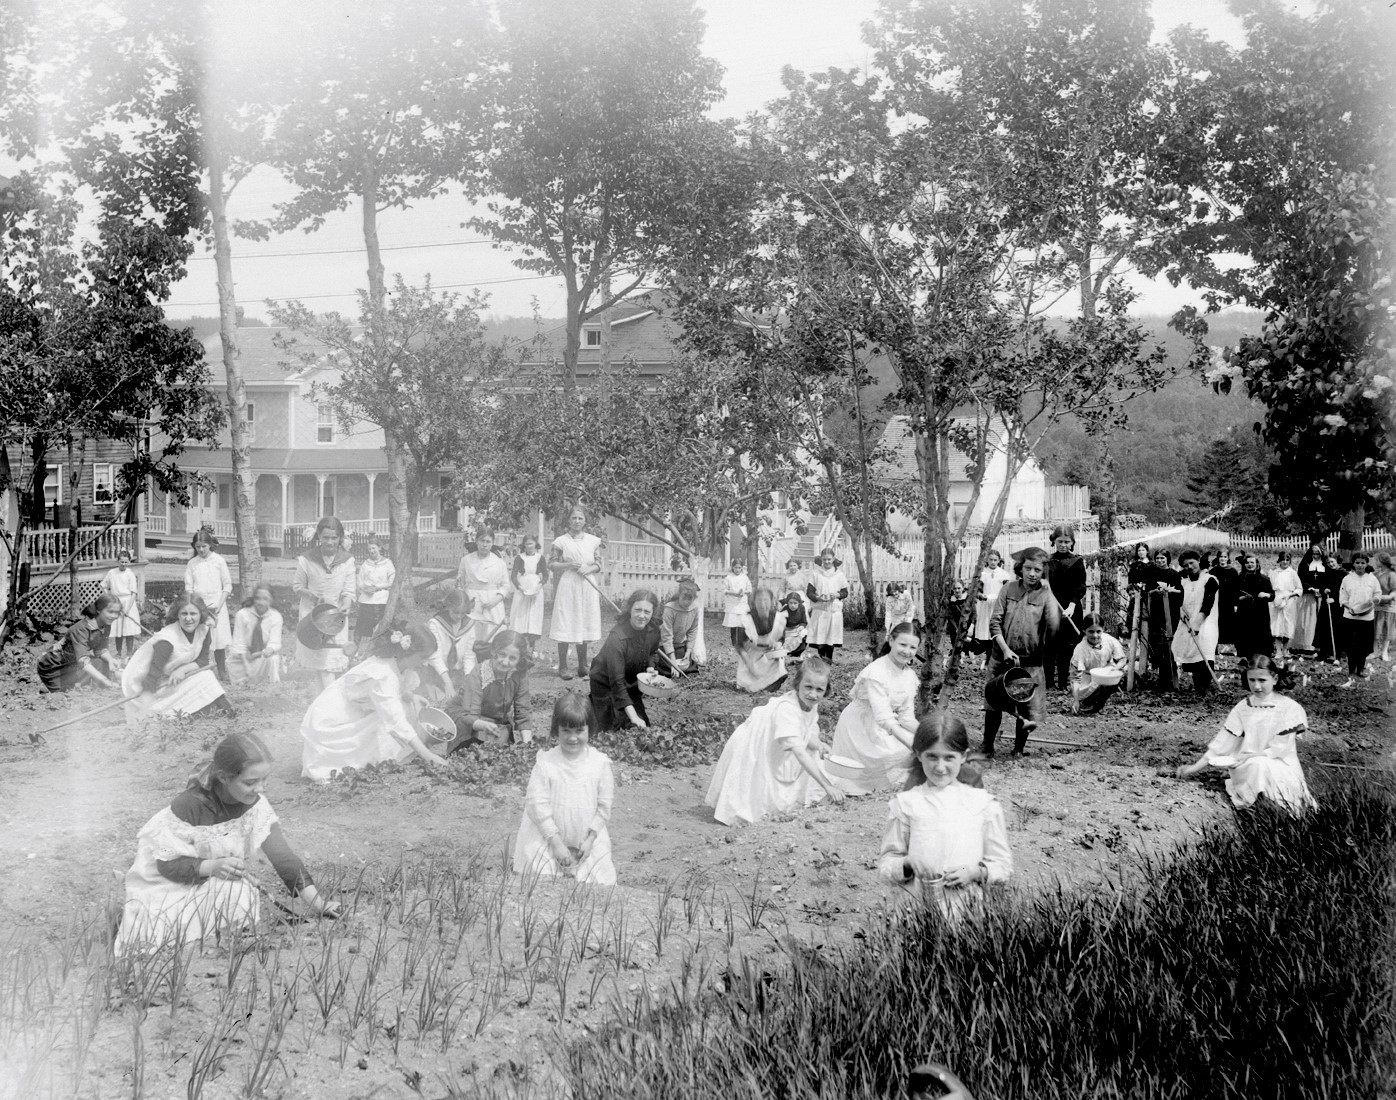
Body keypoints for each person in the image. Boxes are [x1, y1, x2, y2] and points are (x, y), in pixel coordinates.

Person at [114, 732, 338, 956]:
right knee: (155, 937)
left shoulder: (255, 805)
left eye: (264, 780)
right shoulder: (188, 806)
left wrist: (319, 904)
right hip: (166, 885)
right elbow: (167, 865)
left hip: (210, 881)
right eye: (250, 782)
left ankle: (224, 944)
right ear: (223, 777)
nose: (260, 789)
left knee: (239, 890)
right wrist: (212, 867)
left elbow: (283, 857)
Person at [877, 712, 1013, 917]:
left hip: (968, 912)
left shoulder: (983, 805)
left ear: (964, 756)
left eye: (949, 757)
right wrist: (906, 864)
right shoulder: (906, 805)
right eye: (932, 756)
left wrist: (976, 872)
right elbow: (886, 867)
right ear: (918, 754)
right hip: (916, 913)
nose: (940, 767)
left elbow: (1002, 866)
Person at [300, 621, 450, 781]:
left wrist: (412, 696)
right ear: (408, 652)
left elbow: (396, 693)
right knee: (395, 720)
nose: (426, 663)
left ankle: (389, 753)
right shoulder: (381, 673)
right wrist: (428, 756)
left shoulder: (397, 664)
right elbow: (395, 720)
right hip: (332, 720)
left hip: (355, 710)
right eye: (423, 657)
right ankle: (353, 758)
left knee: (405, 709)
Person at [706, 657, 844, 825]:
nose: (813, 694)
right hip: (755, 742)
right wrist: (827, 785)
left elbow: (806, 731)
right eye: (808, 687)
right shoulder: (787, 709)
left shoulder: (811, 703)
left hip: (775, 741)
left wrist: (819, 744)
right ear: (797, 684)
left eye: (819, 690)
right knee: (755, 779)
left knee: (792, 767)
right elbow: (799, 751)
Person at [1176, 656, 1316, 814]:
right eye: (1252, 680)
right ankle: (1258, 806)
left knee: (1261, 766)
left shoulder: (1290, 708)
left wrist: (1250, 756)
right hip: (1247, 768)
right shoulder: (1243, 707)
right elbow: (1222, 744)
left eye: (1262, 680)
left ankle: (1277, 809)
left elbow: (1280, 749)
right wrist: (1193, 768)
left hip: (1282, 766)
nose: (1256, 686)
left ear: (1275, 679)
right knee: (1257, 766)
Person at [512, 693, 617, 885]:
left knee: (596, 881)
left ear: (589, 729)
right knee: (542, 880)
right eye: (566, 731)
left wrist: (591, 838)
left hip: (585, 839)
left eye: (579, 731)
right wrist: (556, 843)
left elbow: (604, 806)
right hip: (548, 837)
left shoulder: (599, 764)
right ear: (556, 730)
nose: (572, 738)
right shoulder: (546, 763)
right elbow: (537, 805)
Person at [981, 546, 1061, 757]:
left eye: (1037, 570)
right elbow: (995, 622)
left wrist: (1050, 593)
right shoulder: (1008, 589)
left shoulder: (1045, 596)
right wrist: (1005, 649)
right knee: (993, 703)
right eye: (1028, 568)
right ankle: (987, 746)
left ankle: (1018, 749)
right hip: (1002, 657)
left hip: (1030, 662)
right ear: (1020, 568)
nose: (1032, 574)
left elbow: (1053, 627)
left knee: (1025, 705)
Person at [830, 622, 922, 793]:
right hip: (860, 726)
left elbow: (906, 717)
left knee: (914, 749)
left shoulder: (909, 675)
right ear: (891, 640)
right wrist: (915, 744)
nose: (907, 651)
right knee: (902, 751)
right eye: (902, 644)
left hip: (884, 725)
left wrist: (929, 736)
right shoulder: (876, 672)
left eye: (912, 647)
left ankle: (882, 785)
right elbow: (884, 718)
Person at [122, 596, 234, 727]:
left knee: (206, 676)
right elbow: (152, 676)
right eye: (184, 614)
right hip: (148, 686)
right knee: (206, 678)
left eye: (193, 613)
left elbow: (203, 661)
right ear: (177, 615)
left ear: (201, 614)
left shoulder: (204, 629)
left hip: (172, 677)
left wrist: (182, 670)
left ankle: (227, 711)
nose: (188, 619)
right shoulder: (167, 640)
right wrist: (144, 709)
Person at [444, 630, 537, 749]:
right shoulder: (479, 674)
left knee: (498, 755)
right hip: (465, 716)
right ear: (494, 651)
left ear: (519, 659)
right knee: (469, 752)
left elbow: (523, 710)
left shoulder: (519, 674)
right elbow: (469, 714)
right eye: (502, 654)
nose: (505, 662)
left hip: (496, 720)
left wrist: (527, 743)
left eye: (512, 658)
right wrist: (483, 725)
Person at [293, 517, 357, 690]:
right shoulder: (307, 560)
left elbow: (349, 591)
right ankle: (326, 702)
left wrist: (347, 603)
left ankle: (324, 701)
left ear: (340, 539)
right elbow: (297, 586)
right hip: (313, 615)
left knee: (331, 663)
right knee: (321, 665)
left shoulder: (347, 561)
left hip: (335, 615)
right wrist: (314, 598)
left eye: (334, 538)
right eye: (325, 537)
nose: (330, 542)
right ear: (318, 537)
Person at [588, 588, 662, 730]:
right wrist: (633, 717)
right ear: (630, 609)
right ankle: (595, 704)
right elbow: (616, 682)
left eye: (647, 612)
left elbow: (653, 652)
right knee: (612, 730)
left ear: (653, 613)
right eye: (637, 610)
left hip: (630, 683)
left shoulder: (654, 629)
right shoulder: (617, 637)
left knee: (641, 726)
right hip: (606, 684)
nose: (641, 616)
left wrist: (651, 667)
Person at [549, 507, 605, 681]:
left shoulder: (593, 541)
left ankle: (582, 665)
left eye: (580, 518)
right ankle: (564, 666)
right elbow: (551, 563)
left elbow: (599, 564)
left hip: (587, 584)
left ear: (585, 521)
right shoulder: (561, 541)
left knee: (584, 620)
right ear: (568, 521)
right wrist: (568, 565)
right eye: (574, 518)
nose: (577, 521)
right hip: (569, 584)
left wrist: (588, 568)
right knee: (566, 620)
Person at [37, 595, 121, 692]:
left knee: (102, 663)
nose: (114, 616)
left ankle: (72, 684)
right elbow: (83, 661)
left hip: (72, 662)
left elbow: (100, 649)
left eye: (117, 613)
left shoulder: (105, 625)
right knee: (65, 693)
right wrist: (106, 682)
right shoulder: (80, 629)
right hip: (53, 665)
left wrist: (110, 659)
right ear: (98, 610)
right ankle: (56, 686)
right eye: (110, 612)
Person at [457, 528, 510, 673]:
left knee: (492, 634)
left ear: (492, 543)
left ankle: (493, 668)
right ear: (476, 541)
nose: (484, 545)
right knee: (472, 635)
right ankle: (471, 669)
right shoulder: (467, 560)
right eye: (482, 541)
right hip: (472, 600)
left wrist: (496, 599)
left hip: (492, 602)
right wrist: (463, 599)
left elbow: (506, 585)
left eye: (488, 541)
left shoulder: (499, 562)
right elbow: (460, 581)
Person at [184, 532, 233, 682]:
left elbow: (227, 585)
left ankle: (221, 668)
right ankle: (199, 670)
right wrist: (194, 604)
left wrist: (219, 604)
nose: (201, 550)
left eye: (204, 546)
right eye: (198, 547)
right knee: (201, 639)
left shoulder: (219, 561)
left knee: (218, 639)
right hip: (199, 606)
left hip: (217, 605)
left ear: (210, 545)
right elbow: (189, 586)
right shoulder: (192, 563)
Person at [1131, 545, 1181, 692]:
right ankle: (1161, 677)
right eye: (1157, 558)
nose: (1160, 561)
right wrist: (1154, 592)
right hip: (1154, 612)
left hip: (1169, 613)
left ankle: (1169, 680)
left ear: (1168, 560)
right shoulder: (1151, 572)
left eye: (1162, 558)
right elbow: (1145, 589)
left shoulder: (1173, 574)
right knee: (1155, 645)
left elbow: (1179, 594)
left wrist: (1168, 592)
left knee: (1167, 644)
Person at [1170, 551, 1220, 695]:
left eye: (1192, 563)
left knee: (1204, 650)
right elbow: (1179, 602)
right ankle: (1197, 685)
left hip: (1205, 622)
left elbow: (1207, 605)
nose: (1190, 567)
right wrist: (1181, 613)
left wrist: (1197, 624)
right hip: (1187, 621)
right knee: (1190, 650)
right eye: (1186, 565)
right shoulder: (1183, 582)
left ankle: (1204, 687)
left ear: (1198, 561)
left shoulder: (1210, 580)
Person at [1045, 526, 1087, 690]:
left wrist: (1071, 606)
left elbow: (1080, 586)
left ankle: (1063, 682)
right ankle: (1048, 682)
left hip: (1071, 608)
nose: (1063, 544)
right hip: (1050, 608)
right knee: (1049, 645)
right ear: (1054, 541)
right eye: (1060, 541)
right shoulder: (1047, 560)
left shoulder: (1077, 560)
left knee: (1066, 647)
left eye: (1066, 542)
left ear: (1072, 542)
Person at [1339, 552, 1387, 687]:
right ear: (1353, 564)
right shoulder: (1347, 579)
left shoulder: (1371, 579)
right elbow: (1342, 597)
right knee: (1350, 644)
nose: (1360, 565)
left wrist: (1374, 600)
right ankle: (1351, 668)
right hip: (1350, 616)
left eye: (1363, 563)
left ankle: (1361, 667)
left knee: (1364, 644)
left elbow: (1378, 593)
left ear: (1367, 564)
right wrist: (1349, 607)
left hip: (1366, 617)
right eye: (1357, 562)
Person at [1069, 614, 1128, 716]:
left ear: (1103, 629)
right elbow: (1075, 678)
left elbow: (1122, 659)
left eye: (1098, 631)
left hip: (1105, 674)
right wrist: (1076, 700)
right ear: (1084, 630)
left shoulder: (1109, 641)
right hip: (1087, 681)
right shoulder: (1080, 649)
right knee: (1084, 699)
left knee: (1118, 676)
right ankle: (1086, 703)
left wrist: (1115, 669)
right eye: (1091, 631)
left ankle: (1099, 705)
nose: (1095, 635)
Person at [423, 589, 473, 702]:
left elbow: (469, 655)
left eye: (463, 613)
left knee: (461, 701)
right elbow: (435, 654)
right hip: (437, 672)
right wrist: (447, 682)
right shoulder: (436, 623)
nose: (460, 616)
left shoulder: (469, 624)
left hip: (457, 672)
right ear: (447, 607)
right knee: (437, 701)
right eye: (456, 612)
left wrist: (468, 678)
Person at [735, 587, 789, 694]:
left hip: (770, 656)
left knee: (778, 672)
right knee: (750, 686)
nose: (762, 604)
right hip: (751, 658)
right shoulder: (746, 620)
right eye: (759, 600)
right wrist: (751, 667)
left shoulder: (779, 618)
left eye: (766, 600)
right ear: (754, 602)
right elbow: (740, 645)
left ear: (772, 601)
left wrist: (777, 645)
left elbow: (781, 639)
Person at [229, 585, 283, 685]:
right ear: (254, 599)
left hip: (261, 656)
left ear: (271, 600)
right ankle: (246, 677)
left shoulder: (276, 616)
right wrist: (247, 665)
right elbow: (238, 642)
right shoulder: (242, 614)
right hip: (242, 659)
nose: (261, 602)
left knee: (273, 658)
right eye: (258, 598)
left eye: (265, 599)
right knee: (241, 681)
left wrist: (268, 650)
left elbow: (275, 642)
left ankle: (270, 683)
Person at [507, 533, 550, 657]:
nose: (529, 546)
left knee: (533, 619)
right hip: (523, 589)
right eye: (527, 544)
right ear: (524, 546)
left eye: (531, 543)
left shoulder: (540, 558)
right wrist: (519, 587)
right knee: (521, 618)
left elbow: (546, 575)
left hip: (536, 589)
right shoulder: (519, 558)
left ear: (536, 544)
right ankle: (520, 649)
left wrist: (540, 585)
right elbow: (514, 575)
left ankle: (531, 650)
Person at [806, 547, 850, 663]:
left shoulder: (839, 575)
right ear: (821, 559)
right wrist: (817, 597)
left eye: (829, 559)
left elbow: (845, 593)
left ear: (833, 559)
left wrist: (837, 594)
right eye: (824, 559)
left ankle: (828, 665)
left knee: (831, 641)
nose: (827, 562)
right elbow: (809, 592)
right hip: (820, 611)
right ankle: (821, 665)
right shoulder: (816, 574)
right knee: (821, 641)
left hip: (833, 612)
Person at [972, 551, 1013, 668]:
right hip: (986, 605)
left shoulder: (1003, 574)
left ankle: (997, 657)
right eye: (991, 560)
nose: (993, 562)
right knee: (986, 632)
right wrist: (981, 596)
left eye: (995, 560)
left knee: (997, 630)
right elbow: (978, 590)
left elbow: (1007, 590)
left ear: (999, 561)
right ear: (987, 560)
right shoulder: (983, 573)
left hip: (998, 605)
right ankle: (988, 656)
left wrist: (1001, 599)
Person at [1232, 552, 1274, 662]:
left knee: (1261, 640)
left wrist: (1266, 595)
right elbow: (1234, 596)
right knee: (1246, 640)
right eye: (1247, 563)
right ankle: (1249, 663)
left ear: (1257, 564)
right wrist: (1242, 598)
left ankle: (1262, 663)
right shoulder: (1239, 578)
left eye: (1252, 562)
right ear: (1244, 564)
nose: (1250, 565)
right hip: (1245, 614)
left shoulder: (1264, 579)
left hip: (1261, 614)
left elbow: (1272, 595)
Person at [658, 578, 704, 676]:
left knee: (687, 664)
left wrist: (688, 651)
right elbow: (666, 636)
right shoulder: (669, 609)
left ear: (694, 598)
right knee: (666, 667)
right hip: (665, 646)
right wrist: (673, 661)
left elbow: (693, 630)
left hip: (680, 645)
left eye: (690, 599)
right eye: (684, 597)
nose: (686, 602)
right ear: (679, 595)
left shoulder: (694, 608)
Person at [101, 549, 142, 658]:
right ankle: (118, 653)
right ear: (118, 561)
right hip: (116, 602)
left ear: (128, 562)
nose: (123, 564)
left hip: (128, 602)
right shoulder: (112, 573)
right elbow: (104, 586)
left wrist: (127, 609)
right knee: (118, 629)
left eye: (126, 562)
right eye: (121, 562)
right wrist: (110, 598)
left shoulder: (130, 574)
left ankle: (129, 654)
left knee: (129, 630)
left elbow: (134, 593)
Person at [355, 536, 395, 643]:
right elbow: (359, 581)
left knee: (380, 629)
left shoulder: (387, 563)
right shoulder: (365, 564)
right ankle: (359, 651)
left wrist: (378, 587)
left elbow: (392, 582)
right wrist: (365, 588)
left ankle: (379, 649)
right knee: (363, 629)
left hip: (381, 600)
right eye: (369, 549)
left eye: (373, 548)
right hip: (366, 601)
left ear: (379, 548)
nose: (371, 551)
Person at [1268, 551, 1303, 664]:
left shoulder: (1292, 573)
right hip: (1277, 600)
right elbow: (1270, 586)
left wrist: (1290, 596)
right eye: (1283, 559)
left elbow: (1299, 588)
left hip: (1289, 601)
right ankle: (1278, 651)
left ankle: (1285, 650)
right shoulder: (1274, 572)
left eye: (1287, 560)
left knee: (1287, 625)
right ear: (1279, 560)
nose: (1285, 562)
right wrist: (1275, 598)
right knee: (1277, 625)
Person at [1292, 542, 1327, 654]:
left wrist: (1321, 589)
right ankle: (1304, 644)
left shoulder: (1325, 565)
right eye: (1313, 554)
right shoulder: (1305, 564)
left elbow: (1327, 579)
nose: (1315, 556)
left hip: (1321, 596)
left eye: (1318, 554)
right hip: (1308, 596)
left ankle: (1317, 646)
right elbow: (1301, 579)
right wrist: (1311, 588)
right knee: (1305, 621)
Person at [1211, 548, 1241, 650]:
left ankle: (1231, 648)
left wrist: (1235, 604)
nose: (1223, 559)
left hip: (1229, 603)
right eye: (1221, 557)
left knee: (1230, 625)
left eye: (1225, 557)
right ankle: (1215, 648)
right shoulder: (1213, 571)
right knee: (1216, 624)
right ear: (1218, 558)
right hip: (1217, 602)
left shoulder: (1232, 571)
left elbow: (1236, 589)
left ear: (1228, 558)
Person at [721, 559, 754, 650]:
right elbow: (724, 590)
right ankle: (734, 643)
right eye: (736, 567)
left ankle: (741, 643)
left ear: (742, 568)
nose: (737, 569)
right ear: (732, 567)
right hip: (732, 603)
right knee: (733, 624)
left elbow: (749, 589)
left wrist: (744, 592)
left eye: (739, 568)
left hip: (742, 602)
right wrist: (732, 593)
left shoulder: (744, 577)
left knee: (741, 624)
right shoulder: (729, 578)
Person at [1375, 552, 1396, 663]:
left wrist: (1388, 597)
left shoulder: (1391, 574)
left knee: (1387, 630)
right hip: (1376, 605)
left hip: (1388, 606)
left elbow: (1394, 591)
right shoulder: (1376, 573)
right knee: (1376, 629)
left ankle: (1384, 652)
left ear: (1382, 561)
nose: (1375, 562)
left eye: (1377, 560)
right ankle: (1375, 651)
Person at [780, 590, 809, 661]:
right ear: (788, 603)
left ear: (799, 603)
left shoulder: (802, 608)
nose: (793, 605)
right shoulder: (785, 609)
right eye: (791, 603)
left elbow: (804, 622)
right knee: (785, 644)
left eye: (795, 603)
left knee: (805, 633)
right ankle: (787, 653)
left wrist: (800, 628)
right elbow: (780, 623)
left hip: (797, 628)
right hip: (786, 630)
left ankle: (797, 653)